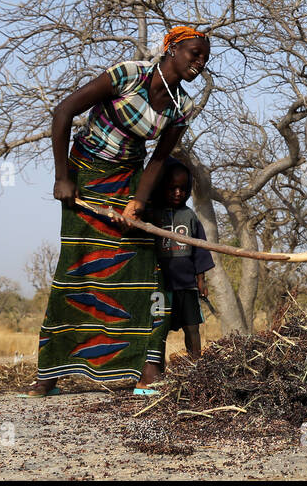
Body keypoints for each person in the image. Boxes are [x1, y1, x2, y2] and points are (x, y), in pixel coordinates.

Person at [26, 26, 209, 397]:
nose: (199, 62)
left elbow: (158, 158)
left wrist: (138, 202)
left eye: (205, 58)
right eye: (194, 53)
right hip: (86, 177)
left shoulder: (182, 106)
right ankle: (49, 373)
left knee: (147, 272)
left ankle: (148, 369)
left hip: (128, 181)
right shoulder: (128, 74)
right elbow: (63, 113)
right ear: (171, 49)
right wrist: (63, 177)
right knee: (78, 268)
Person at [148, 159, 214, 360]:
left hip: (186, 285)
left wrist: (201, 281)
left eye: (183, 189)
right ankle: (156, 372)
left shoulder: (189, 216)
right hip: (160, 286)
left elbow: (199, 250)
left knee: (192, 327)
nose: (178, 193)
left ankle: (197, 369)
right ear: (161, 187)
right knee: (158, 330)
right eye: (172, 188)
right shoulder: (152, 214)